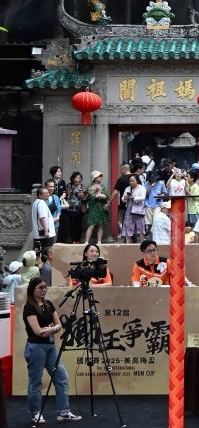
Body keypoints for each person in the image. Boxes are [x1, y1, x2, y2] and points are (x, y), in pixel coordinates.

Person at [23, 277, 82, 423]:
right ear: (32, 290)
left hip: (50, 346)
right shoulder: (29, 307)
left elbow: (59, 325)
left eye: (45, 287)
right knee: (36, 381)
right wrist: (52, 329)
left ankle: (64, 412)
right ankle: (35, 413)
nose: (44, 290)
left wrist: (51, 329)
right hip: (36, 347)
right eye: (40, 287)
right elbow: (38, 331)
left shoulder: (48, 304)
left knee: (61, 377)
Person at [81, 171, 110, 245]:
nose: (101, 178)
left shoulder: (103, 186)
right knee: (91, 225)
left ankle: (99, 241)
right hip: (93, 208)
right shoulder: (90, 186)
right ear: (95, 177)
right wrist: (100, 195)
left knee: (101, 225)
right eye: (99, 176)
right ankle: (86, 241)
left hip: (101, 208)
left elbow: (106, 196)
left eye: (101, 176)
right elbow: (92, 196)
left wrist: (102, 196)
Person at [121, 174, 148, 243]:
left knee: (140, 226)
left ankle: (142, 243)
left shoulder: (142, 188)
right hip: (129, 208)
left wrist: (134, 197)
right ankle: (128, 244)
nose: (131, 182)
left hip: (138, 209)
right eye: (130, 181)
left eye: (133, 181)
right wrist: (125, 197)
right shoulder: (128, 188)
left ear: (137, 181)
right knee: (128, 225)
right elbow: (123, 199)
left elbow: (143, 198)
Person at [61, 171, 86, 244]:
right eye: (76, 178)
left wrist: (83, 196)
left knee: (79, 225)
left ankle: (78, 239)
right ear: (73, 178)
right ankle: (73, 240)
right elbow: (66, 195)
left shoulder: (82, 186)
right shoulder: (69, 185)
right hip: (70, 208)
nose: (78, 179)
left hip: (80, 208)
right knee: (72, 225)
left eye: (79, 178)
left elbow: (86, 197)